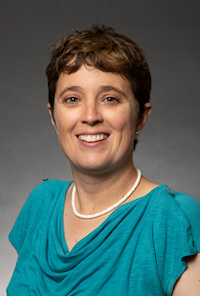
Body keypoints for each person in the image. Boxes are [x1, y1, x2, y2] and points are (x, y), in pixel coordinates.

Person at [7, 25, 200, 296]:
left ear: (140, 118)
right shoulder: (41, 203)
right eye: (72, 98)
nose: (90, 116)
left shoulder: (176, 219)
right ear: (54, 118)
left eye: (110, 98)